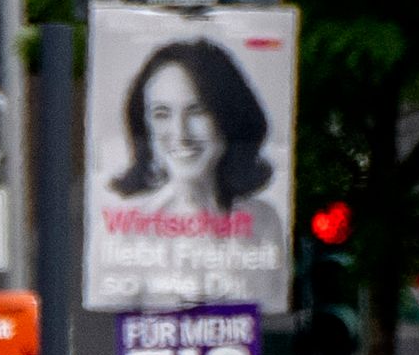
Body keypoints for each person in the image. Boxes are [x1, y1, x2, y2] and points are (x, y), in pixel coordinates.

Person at [107, 37, 287, 266]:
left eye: (197, 111)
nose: (180, 133)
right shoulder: (125, 228)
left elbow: (265, 301)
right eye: (161, 114)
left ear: (228, 117)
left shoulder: (264, 221)